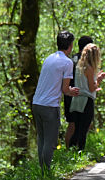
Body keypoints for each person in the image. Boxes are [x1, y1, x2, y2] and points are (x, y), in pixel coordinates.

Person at [32, 31, 80, 171]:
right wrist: (73, 91)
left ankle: (42, 172)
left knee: (41, 139)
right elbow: (65, 90)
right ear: (70, 46)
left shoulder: (49, 58)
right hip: (50, 106)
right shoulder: (67, 62)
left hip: (37, 103)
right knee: (50, 141)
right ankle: (46, 172)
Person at [68, 42, 105, 150]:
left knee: (77, 128)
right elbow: (91, 88)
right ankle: (80, 151)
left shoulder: (79, 66)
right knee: (83, 130)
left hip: (77, 99)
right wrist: (99, 80)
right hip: (86, 101)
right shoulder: (89, 68)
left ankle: (71, 151)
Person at [64, 35, 94, 145]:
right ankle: (79, 150)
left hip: (68, 94)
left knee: (71, 124)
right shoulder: (87, 61)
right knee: (83, 125)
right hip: (81, 95)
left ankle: (68, 151)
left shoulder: (71, 59)